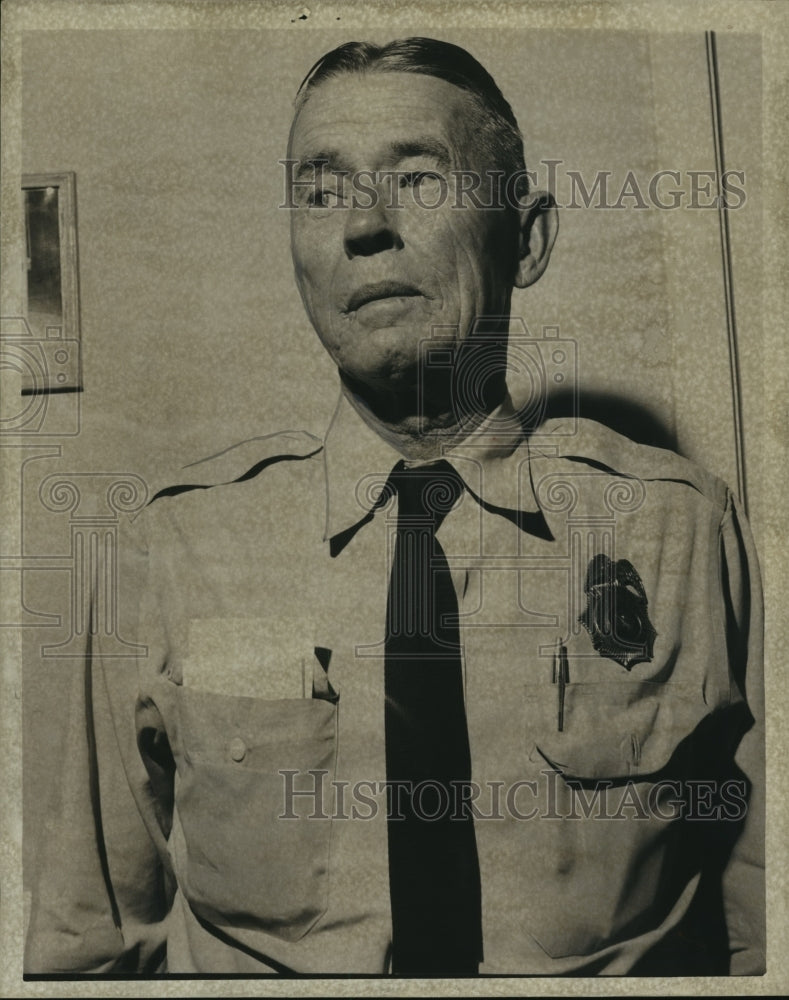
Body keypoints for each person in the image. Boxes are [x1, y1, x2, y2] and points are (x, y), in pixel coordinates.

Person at [25, 37, 764, 977]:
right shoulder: (172, 545)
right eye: (320, 191)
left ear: (526, 239)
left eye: (417, 180)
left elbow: (763, 935)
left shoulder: (678, 532)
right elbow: (83, 951)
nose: (361, 227)